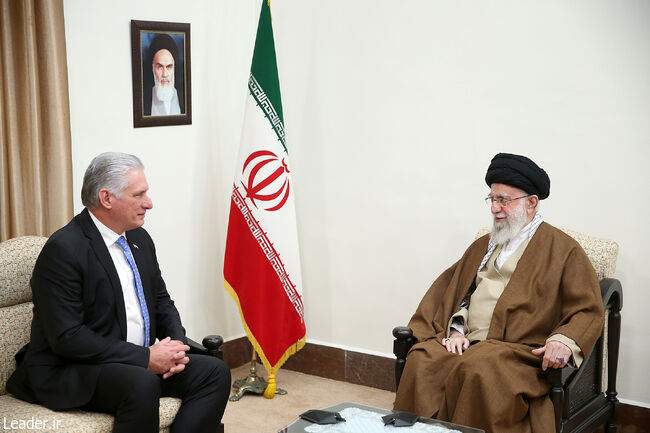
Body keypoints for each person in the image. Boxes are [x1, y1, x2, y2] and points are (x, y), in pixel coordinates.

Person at [7, 152, 229, 433]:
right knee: (141, 381)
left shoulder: (138, 237)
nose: (149, 203)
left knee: (214, 372)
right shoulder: (64, 249)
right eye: (139, 195)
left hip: (135, 360)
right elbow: (68, 338)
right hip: (72, 369)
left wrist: (177, 347)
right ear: (107, 198)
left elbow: (160, 300)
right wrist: (144, 358)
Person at [393, 153, 604, 433]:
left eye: (504, 200)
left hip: (518, 352)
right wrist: (456, 329)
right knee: (423, 359)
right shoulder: (485, 244)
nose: (495, 208)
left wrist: (564, 342)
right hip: (470, 342)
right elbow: (459, 292)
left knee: (480, 368)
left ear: (531, 203)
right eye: (491, 199)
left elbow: (587, 309)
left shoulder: (564, 250)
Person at [144, 33, 184, 116]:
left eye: (169, 67)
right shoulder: (143, 100)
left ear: (174, 68)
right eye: (160, 67)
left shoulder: (184, 99)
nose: (165, 74)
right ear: (153, 68)